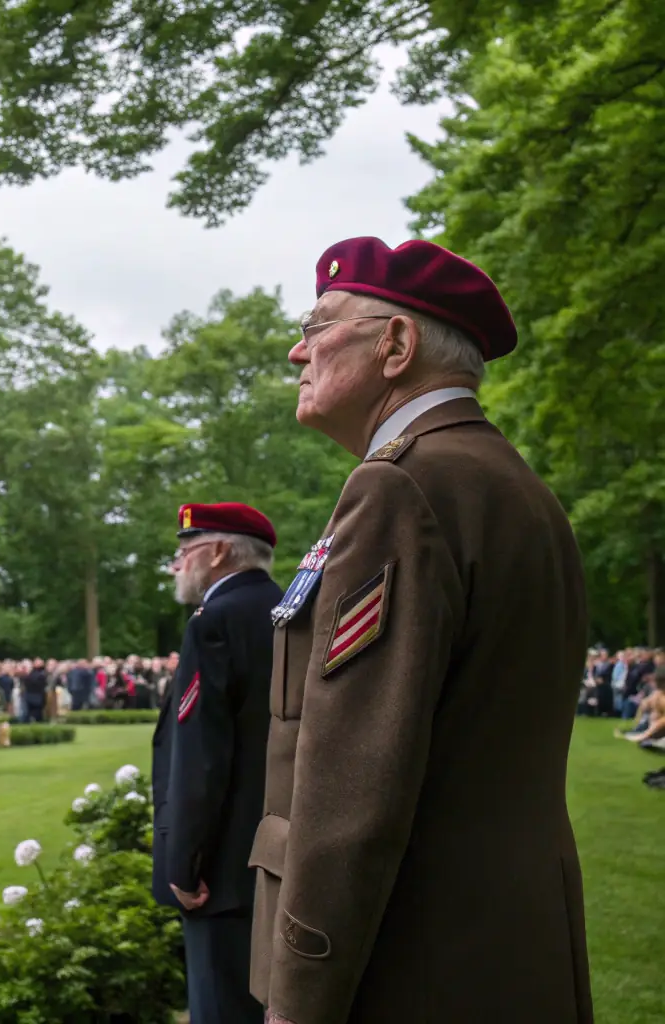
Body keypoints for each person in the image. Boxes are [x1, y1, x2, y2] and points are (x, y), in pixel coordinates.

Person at [251, 237, 591, 1024]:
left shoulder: (399, 486)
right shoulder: (514, 488)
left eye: (319, 323)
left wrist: (299, 995)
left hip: (407, 962)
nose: (296, 349)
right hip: (508, 943)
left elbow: (353, 782)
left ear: (396, 344)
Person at [152, 502, 283, 1024]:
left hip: (222, 870)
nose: (177, 564)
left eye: (186, 551)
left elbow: (200, 757)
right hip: (282, 847)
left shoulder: (214, 621)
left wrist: (184, 863)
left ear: (221, 551)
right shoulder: (287, 609)